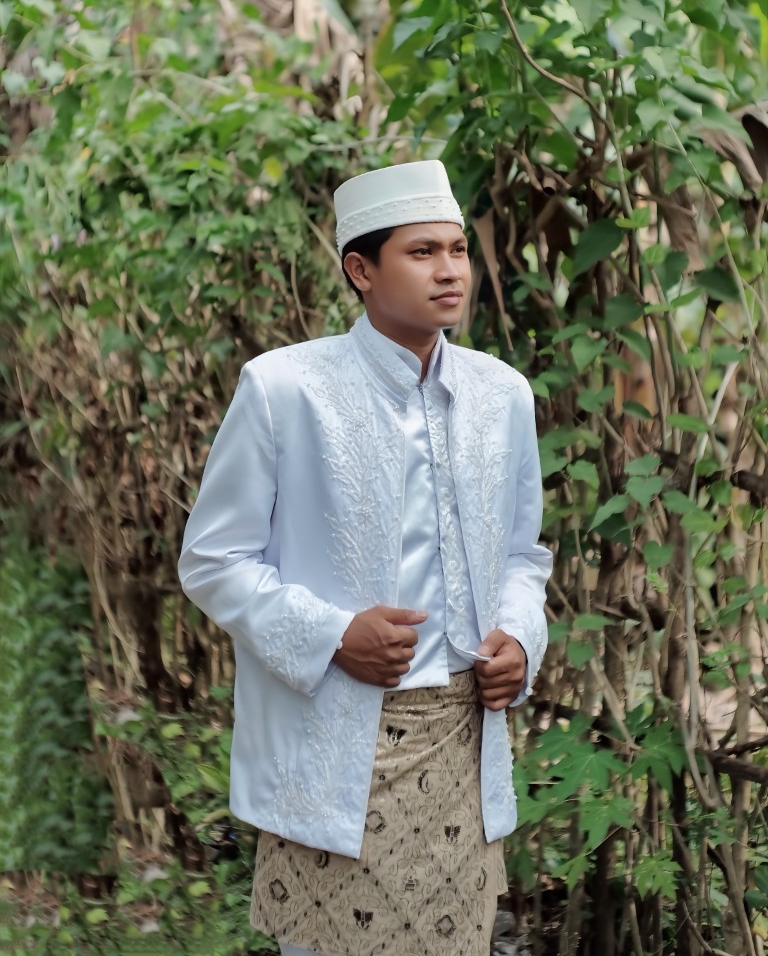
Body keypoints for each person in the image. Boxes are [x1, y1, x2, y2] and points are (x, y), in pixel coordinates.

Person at [178, 159, 552, 956]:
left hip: (460, 741)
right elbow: (213, 559)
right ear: (360, 269)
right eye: (422, 252)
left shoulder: (503, 395)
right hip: (336, 747)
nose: (450, 270)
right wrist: (333, 634)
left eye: (457, 249)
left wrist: (521, 639)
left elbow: (524, 554)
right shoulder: (283, 389)